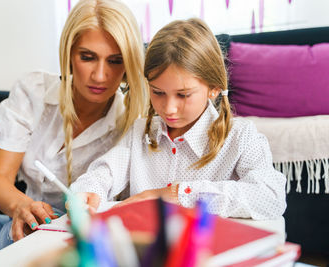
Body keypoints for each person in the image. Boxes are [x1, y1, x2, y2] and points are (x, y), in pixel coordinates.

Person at [0, 0, 147, 255]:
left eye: (114, 61)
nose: (100, 75)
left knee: (12, 239)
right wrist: (22, 207)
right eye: (87, 57)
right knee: (11, 233)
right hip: (23, 223)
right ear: (68, 54)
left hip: (80, 240)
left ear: (128, 63)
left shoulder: (132, 122)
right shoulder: (33, 91)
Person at [70, 18, 287, 220]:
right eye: (158, 92)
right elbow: (104, 173)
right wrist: (88, 191)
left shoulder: (241, 136)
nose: (169, 108)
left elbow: (271, 197)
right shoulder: (139, 132)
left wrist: (176, 194)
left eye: (183, 95)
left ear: (214, 88)